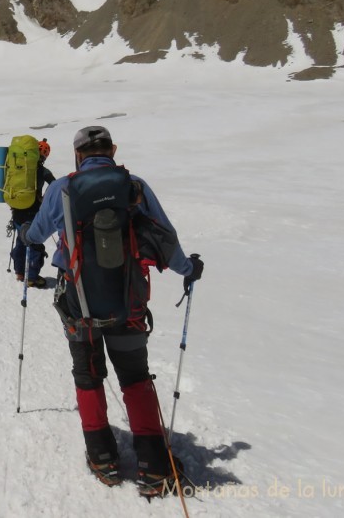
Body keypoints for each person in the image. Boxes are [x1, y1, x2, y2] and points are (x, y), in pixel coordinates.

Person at [22, 126, 203, 497]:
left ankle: (102, 456)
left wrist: (26, 235)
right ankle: (154, 464)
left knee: (87, 373)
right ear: (112, 150)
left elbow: (38, 233)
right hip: (129, 302)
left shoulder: (62, 189)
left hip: (79, 302)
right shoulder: (133, 186)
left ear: (77, 155)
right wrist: (190, 269)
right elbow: (166, 239)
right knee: (135, 375)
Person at [10, 138, 55, 287]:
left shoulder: (18, 167)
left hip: (17, 210)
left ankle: (20, 271)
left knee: (21, 240)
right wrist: (44, 199)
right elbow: (54, 186)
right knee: (34, 242)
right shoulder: (43, 171)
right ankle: (32, 277)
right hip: (33, 212)